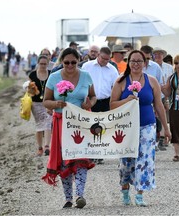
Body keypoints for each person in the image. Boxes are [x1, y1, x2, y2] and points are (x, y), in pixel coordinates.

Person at [110, 50, 171, 206]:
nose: (136, 64)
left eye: (139, 61)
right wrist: (128, 100)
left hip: (147, 125)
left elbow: (158, 105)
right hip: (126, 127)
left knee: (145, 159)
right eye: (133, 61)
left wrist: (166, 128)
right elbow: (112, 105)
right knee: (126, 161)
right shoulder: (121, 81)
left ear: (145, 63)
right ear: (128, 63)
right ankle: (125, 191)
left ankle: (140, 194)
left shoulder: (151, 81)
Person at [42, 48, 96, 208]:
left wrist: (90, 103)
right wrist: (55, 104)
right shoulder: (54, 77)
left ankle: (80, 194)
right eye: (67, 62)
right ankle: (68, 197)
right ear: (62, 62)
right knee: (65, 159)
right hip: (61, 124)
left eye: (74, 62)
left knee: (81, 157)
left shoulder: (86, 76)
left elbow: (93, 96)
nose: (70, 65)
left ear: (78, 61)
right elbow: (46, 101)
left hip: (81, 123)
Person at [82, 46, 119, 164]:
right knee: (90, 127)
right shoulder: (87, 66)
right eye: (103, 58)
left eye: (107, 59)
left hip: (105, 101)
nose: (105, 61)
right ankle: (91, 153)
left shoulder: (112, 69)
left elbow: (116, 86)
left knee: (102, 127)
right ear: (98, 55)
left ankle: (100, 153)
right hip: (90, 100)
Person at [139, 45, 166, 151]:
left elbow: (160, 86)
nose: (145, 61)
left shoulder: (156, 67)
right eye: (143, 58)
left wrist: (159, 103)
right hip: (135, 102)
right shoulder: (134, 66)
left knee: (152, 124)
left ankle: (152, 144)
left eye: (148, 58)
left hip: (151, 101)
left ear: (151, 56)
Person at [161, 55, 179, 162]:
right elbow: (167, 93)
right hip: (174, 107)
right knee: (175, 130)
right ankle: (177, 154)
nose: (178, 65)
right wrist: (162, 88)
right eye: (176, 63)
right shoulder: (171, 78)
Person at [27, 55, 52, 156]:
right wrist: (31, 89)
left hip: (47, 102)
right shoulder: (32, 74)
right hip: (35, 103)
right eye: (41, 64)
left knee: (48, 122)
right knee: (39, 124)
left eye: (45, 64)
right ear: (38, 63)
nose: (43, 66)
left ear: (48, 64)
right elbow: (28, 91)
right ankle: (40, 147)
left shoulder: (51, 74)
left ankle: (47, 146)